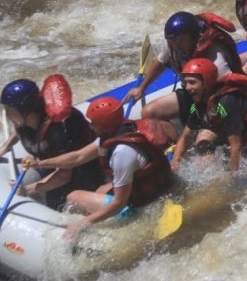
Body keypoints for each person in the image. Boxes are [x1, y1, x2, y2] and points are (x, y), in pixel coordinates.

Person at [24, 97, 175, 240]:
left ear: (103, 124)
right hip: (156, 187)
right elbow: (78, 157)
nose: (90, 125)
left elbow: (119, 203)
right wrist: (40, 164)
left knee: (73, 197)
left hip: (140, 205)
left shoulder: (121, 153)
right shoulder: (120, 130)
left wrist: (84, 222)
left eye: (93, 122)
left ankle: (108, 230)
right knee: (100, 190)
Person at [0, 76, 104, 210]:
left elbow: (64, 175)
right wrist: (5, 148)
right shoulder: (24, 121)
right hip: (52, 163)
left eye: (10, 111)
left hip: (81, 170)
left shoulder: (60, 130)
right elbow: (19, 129)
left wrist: (28, 190)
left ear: (26, 110)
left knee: (60, 205)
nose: (7, 115)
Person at [122, 10, 243, 122]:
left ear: (194, 36)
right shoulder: (174, 46)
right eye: (173, 42)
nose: (177, 46)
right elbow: (160, 63)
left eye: (182, 40)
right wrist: (141, 88)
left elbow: (228, 85)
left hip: (217, 97)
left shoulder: (213, 50)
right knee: (149, 112)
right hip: (192, 92)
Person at [172, 59, 247, 173]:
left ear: (206, 83)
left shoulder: (226, 102)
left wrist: (232, 180)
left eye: (192, 82)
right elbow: (185, 136)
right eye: (185, 83)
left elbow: (236, 145)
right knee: (202, 143)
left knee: (232, 171)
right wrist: (175, 163)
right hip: (234, 137)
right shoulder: (199, 103)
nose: (187, 87)